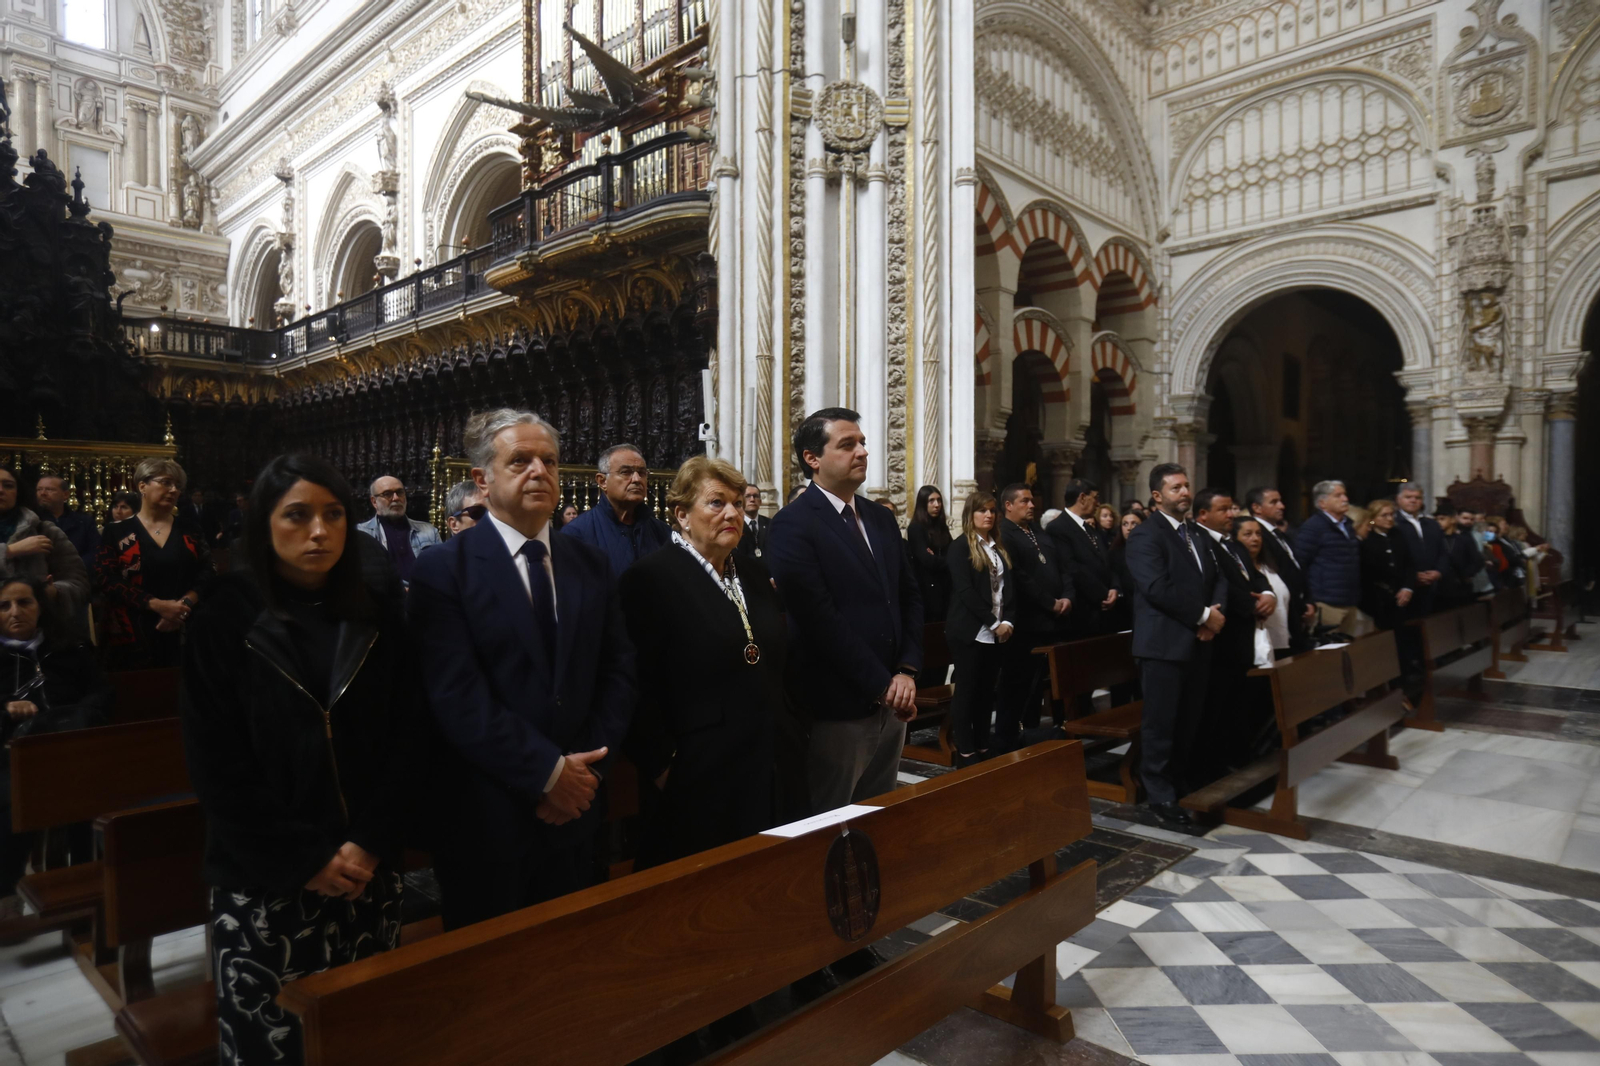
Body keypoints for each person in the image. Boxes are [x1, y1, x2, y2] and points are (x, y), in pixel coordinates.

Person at [180, 454, 420, 1066]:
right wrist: (305, 858)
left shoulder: (377, 616)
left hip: (367, 871)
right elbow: (217, 765)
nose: (319, 531)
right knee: (277, 1042)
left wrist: (369, 841)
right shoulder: (223, 620)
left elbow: (409, 739)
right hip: (266, 878)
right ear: (264, 525)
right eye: (298, 515)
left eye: (333, 515)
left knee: (369, 1035)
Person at [409, 409, 635, 930]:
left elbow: (618, 672)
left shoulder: (589, 563)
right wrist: (547, 773)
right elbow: (457, 695)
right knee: (492, 979)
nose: (539, 470)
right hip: (488, 814)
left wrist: (585, 774)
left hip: (577, 812)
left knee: (572, 964)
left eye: (549, 460)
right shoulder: (445, 568)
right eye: (521, 460)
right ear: (482, 480)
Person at [620, 457, 786, 870]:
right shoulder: (650, 579)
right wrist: (662, 766)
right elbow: (634, 684)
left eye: (736, 502)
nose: (732, 512)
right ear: (681, 515)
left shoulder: (751, 571)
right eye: (716, 503)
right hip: (697, 771)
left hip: (765, 762)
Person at [767, 407, 922, 814]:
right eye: (847, 444)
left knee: (877, 815)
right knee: (827, 820)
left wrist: (906, 669)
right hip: (838, 704)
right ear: (812, 458)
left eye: (863, 443)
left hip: (892, 700)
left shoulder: (880, 519)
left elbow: (908, 596)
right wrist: (882, 684)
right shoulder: (792, 525)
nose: (862, 452)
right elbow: (819, 619)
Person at [0, 575, 112, 914]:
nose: (15, 612)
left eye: (25, 602)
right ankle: (6, 892)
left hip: (72, 747)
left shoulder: (69, 646)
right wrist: (5, 710)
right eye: (4, 606)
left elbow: (102, 691)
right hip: (13, 754)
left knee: (92, 790)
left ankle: (92, 887)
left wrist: (81, 713)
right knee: (12, 799)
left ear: (41, 607)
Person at [1124, 464, 1226, 826]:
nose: (1184, 492)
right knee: (1162, 723)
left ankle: (1180, 781)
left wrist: (1214, 615)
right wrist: (1202, 617)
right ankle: (1159, 793)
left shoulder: (1194, 532)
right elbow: (1156, 588)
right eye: (1175, 488)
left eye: (1186, 486)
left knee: (1188, 720)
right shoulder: (1145, 536)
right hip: (1163, 644)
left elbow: (1218, 576)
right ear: (1157, 496)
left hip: (1198, 641)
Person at [97, 458, 213, 669]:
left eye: (178, 486)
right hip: (132, 631)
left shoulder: (190, 529)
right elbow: (107, 579)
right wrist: (158, 605)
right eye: (166, 482)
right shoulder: (117, 531)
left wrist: (182, 607)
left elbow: (207, 572)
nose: (174, 490)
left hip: (185, 628)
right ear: (142, 486)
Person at [1193, 489, 1273, 779]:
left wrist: (1267, 593)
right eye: (1224, 509)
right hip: (1222, 639)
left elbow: (1255, 573)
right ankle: (1214, 764)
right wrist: (1253, 605)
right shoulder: (1200, 542)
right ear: (1203, 514)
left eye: (1231, 509)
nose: (1232, 515)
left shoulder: (1231, 543)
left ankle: (1237, 754)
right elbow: (1224, 584)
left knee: (1238, 701)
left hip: (1243, 638)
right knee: (1218, 705)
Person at [996, 483, 1072, 739]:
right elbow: (1018, 577)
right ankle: (1015, 732)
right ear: (1008, 505)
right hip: (1028, 621)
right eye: (1024, 501)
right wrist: (1049, 602)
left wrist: (1067, 597)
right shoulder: (1004, 534)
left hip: (1053, 620)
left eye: (1031, 500)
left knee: (1041, 682)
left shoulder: (1037, 531)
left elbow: (1062, 566)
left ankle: (1034, 728)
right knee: (1021, 681)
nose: (1031, 505)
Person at [945, 492, 1014, 767]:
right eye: (982, 510)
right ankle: (965, 749)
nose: (988, 515)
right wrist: (994, 622)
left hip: (996, 631)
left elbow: (1008, 590)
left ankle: (983, 743)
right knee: (967, 691)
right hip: (969, 631)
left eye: (992, 511)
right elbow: (965, 591)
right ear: (970, 515)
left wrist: (1008, 620)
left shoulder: (998, 547)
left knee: (987, 692)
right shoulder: (960, 547)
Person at [0, 467, 91, 642]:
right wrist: (10, 551)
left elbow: (78, 583)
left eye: (8, 485)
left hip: (43, 636)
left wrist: (53, 592)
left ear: (18, 493)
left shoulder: (44, 531)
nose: (1, 490)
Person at [560, 443, 671, 576]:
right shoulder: (576, 534)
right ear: (602, 481)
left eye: (642, 473)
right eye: (626, 472)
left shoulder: (661, 532)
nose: (636, 479)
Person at [1046, 479, 1119, 638]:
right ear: (1082, 498)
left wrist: (1114, 587)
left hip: (1103, 609)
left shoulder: (1089, 527)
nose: (1098, 503)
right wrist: (1102, 594)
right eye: (1096, 498)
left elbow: (1105, 561)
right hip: (1083, 610)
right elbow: (1071, 568)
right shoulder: (1058, 528)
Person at [1244, 487, 1312, 651]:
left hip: (1296, 608)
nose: (1281, 506)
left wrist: (1308, 600)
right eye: (1274, 502)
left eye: (1280, 501)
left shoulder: (1279, 533)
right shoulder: (1259, 535)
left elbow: (1296, 569)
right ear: (1257, 508)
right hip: (1282, 609)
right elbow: (1279, 574)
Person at [1294, 480, 1361, 637]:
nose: (1345, 499)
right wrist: (1308, 598)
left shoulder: (1348, 525)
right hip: (1326, 601)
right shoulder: (1313, 527)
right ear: (1322, 503)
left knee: (1348, 648)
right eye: (1338, 495)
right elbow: (1300, 563)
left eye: (1345, 494)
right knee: (1328, 650)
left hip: (1349, 599)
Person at [356, 476, 440, 586]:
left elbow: (441, 569)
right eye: (387, 494)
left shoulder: (428, 531)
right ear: (374, 502)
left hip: (424, 595)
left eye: (400, 492)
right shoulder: (361, 533)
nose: (396, 498)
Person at [1234, 517, 1293, 659]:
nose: (1255, 539)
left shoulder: (1270, 565)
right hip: (1254, 643)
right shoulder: (1237, 569)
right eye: (1248, 534)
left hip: (1282, 638)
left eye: (1258, 534)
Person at [1357, 498, 1414, 631]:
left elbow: (1410, 563)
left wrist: (1408, 587)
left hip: (1400, 594)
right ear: (1373, 518)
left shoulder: (1398, 535)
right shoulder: (1367, 538)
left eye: (1391, 514)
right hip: (1375, 597)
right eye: (1384, 515)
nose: (1389, 518)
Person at [1393, 484, 1445, 617]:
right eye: (1408, 497)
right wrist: (1412, 576)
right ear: (1398, 499)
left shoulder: (1431, 524)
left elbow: (1443, 551)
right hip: (1405, 586)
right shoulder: (1393, 523)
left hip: (1434, 585)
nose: (1413, 500)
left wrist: (1438, 571)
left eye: (1417, 497)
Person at [906, 485, 953, 625]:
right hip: (927, 588)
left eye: (939, 500)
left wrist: (939, 558)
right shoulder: (916, 528)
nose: (937, 505)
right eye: (931, 501)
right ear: (923, 503)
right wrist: (945, 560)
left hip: (945, 585)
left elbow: (953, 552)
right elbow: (927, 560)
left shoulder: (941, 527)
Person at [33, 476, 100, 574]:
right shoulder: (32, 521)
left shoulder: (84, 522)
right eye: (39, 489)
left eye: (49, 489)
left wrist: (75, 568)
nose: (42, 493)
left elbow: (95, 552)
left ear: (65, 495)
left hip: (79, 576)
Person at [734, 482, 772, 565]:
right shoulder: (735, 524)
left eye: (755, 496)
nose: (752, 499)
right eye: (748, 496)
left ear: (760, 501)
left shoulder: (770, 524)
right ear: (741, 501)